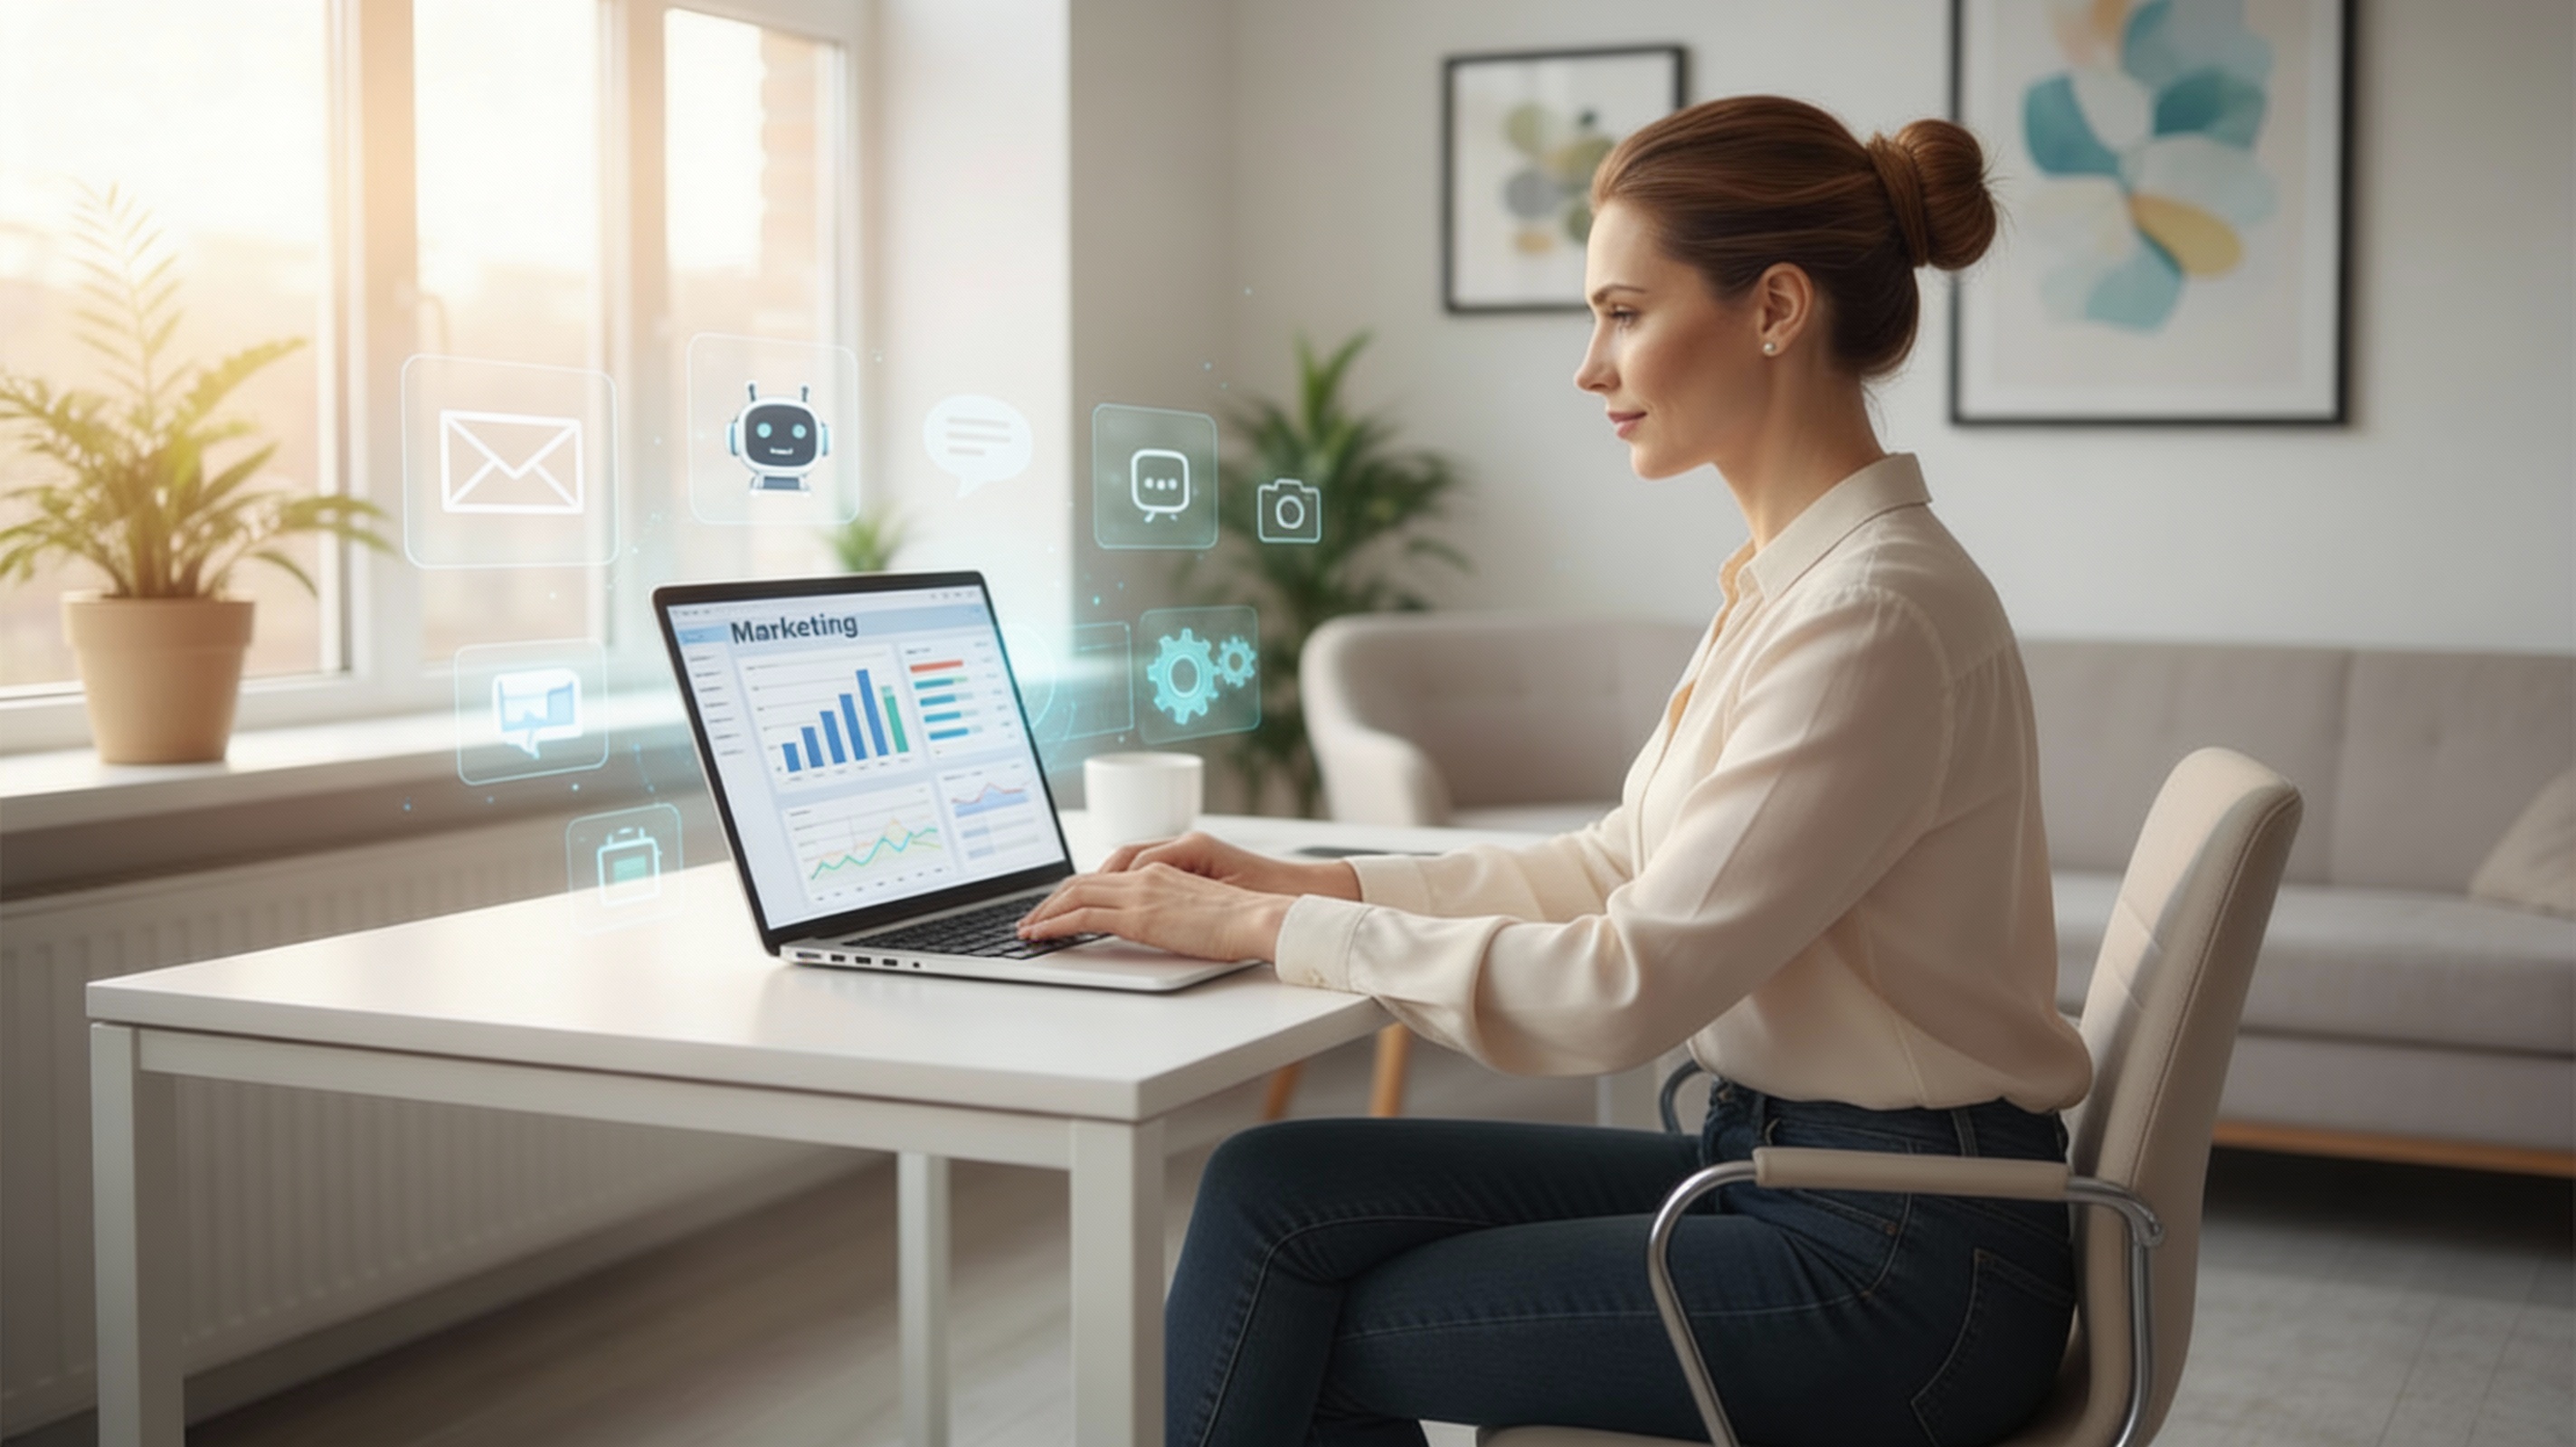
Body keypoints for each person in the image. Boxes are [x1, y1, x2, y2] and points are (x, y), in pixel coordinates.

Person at [1019, 94, 2093, 1447]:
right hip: (1802, 1178)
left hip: (1899, 1264)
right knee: (1270, 1191)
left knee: (1292, 1309)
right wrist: (1317, 876)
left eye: (1626, 312)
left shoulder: (1869, 613)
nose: (1592, 367)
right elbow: (1613, 865)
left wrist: (1268, 928)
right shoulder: (1797, 585)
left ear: (1773, 310)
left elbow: (1623, 987)